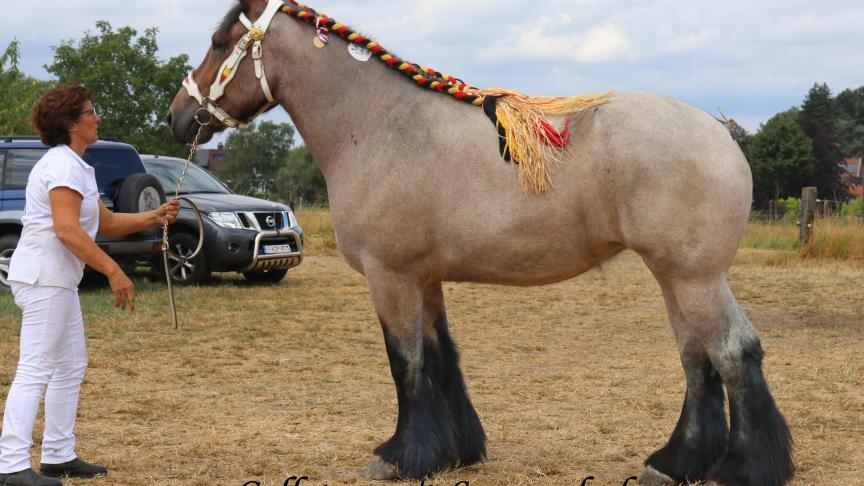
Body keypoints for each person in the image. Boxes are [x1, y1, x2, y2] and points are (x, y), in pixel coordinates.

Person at [0, 84, 180, 486]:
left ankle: (58, 455)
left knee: (69, 365)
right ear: (70, 123)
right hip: (44, 277)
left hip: (57, 280)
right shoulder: (62, 166)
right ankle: (10, 465)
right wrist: (113, 270)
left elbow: (107, 223)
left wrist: (155, 216)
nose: (97, 117)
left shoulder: (77, 165)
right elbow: (66, 230)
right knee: (36, 368)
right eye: (90, 112)